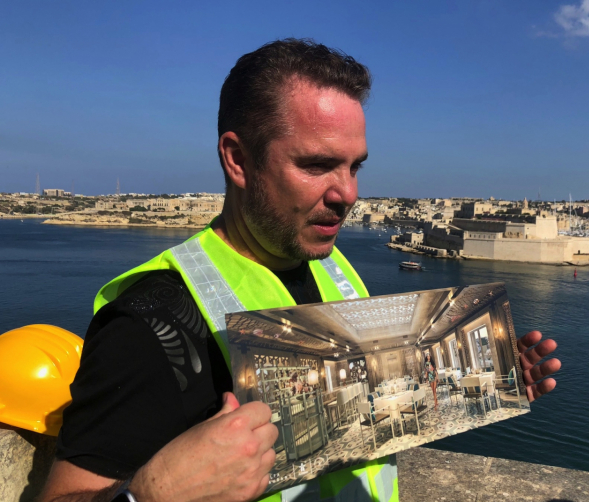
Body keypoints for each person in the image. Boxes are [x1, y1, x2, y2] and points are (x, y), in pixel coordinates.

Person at [39, 39, 562, 502]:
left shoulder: (333, 268)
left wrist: (485, 378)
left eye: (354, 166)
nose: (348, 195)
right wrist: (151, 497)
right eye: (316, 165)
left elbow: (370, 407)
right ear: (238, 159)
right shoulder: (150, 324)